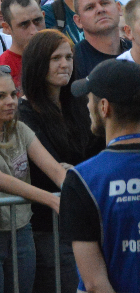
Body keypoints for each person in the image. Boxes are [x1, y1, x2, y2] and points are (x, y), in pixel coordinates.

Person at [0, 65, 67, 293]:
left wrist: (76, 192)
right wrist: (51, 199)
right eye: (0, 96)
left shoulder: (20, 128)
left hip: (22, 229)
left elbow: (55, 170)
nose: (10, 101)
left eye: (13, 94)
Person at [18, 29, 101, 293]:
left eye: (68, 57)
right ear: (38, 63)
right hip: (47, 228)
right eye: (56, 58)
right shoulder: (24, 112)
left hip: (84, 221)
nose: (65, 64)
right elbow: (51, 166)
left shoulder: (78, 103)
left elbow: (96, 152)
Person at [60, 59, 140, 293]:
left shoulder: (83, 179)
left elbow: (95, 284)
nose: (87, 106)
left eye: (89, 99)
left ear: (104, 107)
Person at [71, 0, 129, 79]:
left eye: (105, 3)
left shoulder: (135, 51)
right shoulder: (72, 60)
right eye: (90, 7)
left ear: (119, 8)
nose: (100, 10)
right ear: (78, 21)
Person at [0, 0, 45, 87]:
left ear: (44, 16)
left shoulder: (62, 59)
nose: (34, 31)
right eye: (24, 24)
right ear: (7, 28)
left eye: (37, 21)